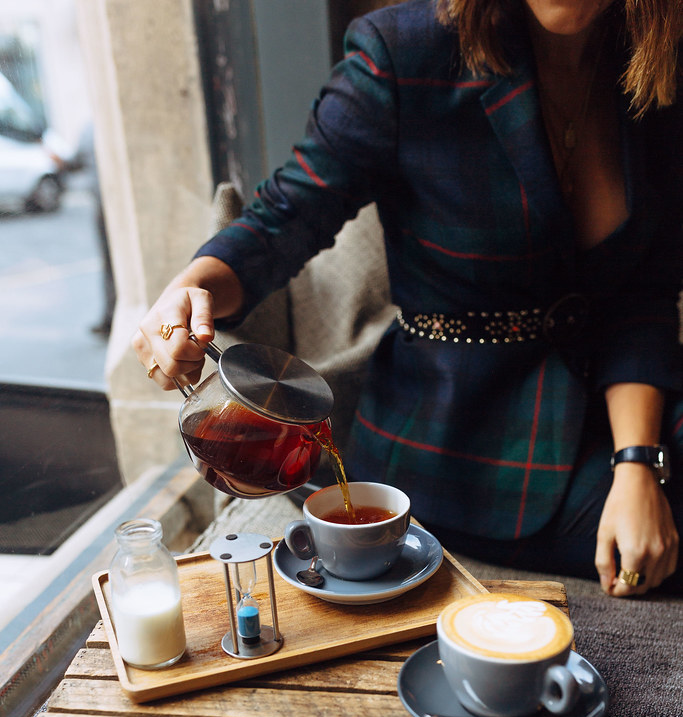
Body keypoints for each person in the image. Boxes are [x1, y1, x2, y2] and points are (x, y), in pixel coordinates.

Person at [132, 0, 683, 598]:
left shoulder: (661, 56)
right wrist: (188, 291)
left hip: (619, 403)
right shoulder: (403, 51)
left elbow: (644, 293)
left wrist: (638, 463)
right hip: (457, 440)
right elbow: (283, 218)